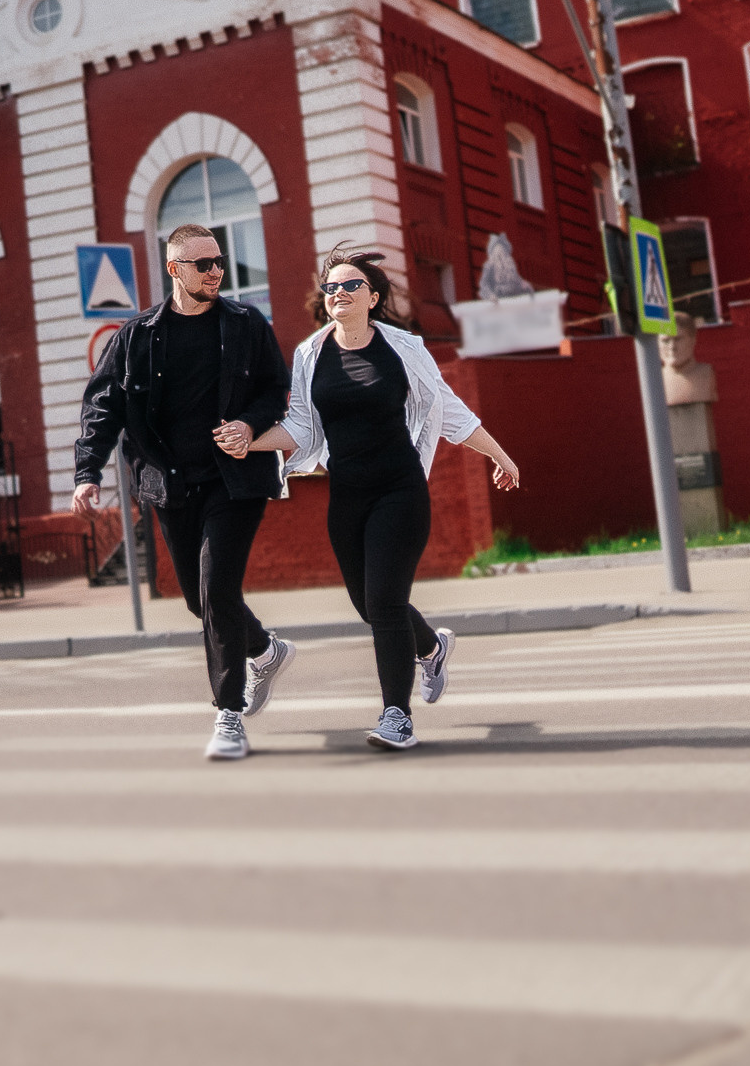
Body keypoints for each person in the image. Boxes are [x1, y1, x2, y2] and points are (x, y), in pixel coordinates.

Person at [232, 246, 520, 750]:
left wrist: (499, 455)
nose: (338, 294)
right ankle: (431, 648)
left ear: (373, 297)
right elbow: (300, 426)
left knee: (385, 603)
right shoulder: (309, 355)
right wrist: (249, 440)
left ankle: (396, 715)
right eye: (331, 288)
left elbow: (446, 408)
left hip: (399, 489)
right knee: (370, 605)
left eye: (349, 286)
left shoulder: (403, 349)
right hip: (347, 495)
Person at [75, 223, 297, 761]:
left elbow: (275, 387)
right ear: (175, 270)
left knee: (217, 586)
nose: (216, 271)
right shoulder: (137, 337)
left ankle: (229, 712)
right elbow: (102, 406)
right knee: (200, 600)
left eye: (219, 260)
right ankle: (266, 651)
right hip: (170, 484)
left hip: (235, 478)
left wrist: (248, 425)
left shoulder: (245, 323)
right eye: (203, 264)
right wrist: (87, 472)